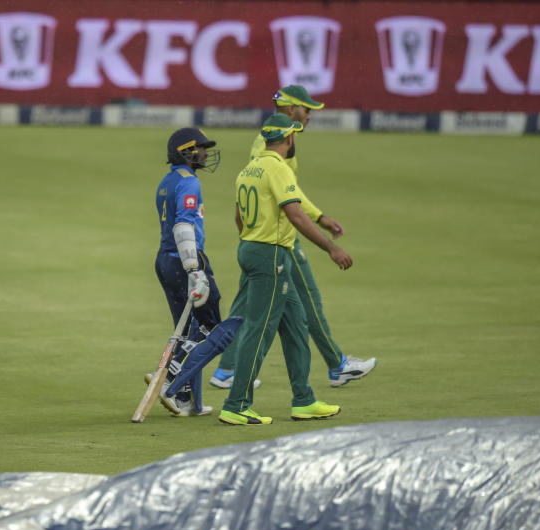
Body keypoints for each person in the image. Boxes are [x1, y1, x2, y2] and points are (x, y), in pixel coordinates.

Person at [211, 85, 376, 390]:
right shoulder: (274, 150)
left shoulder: (266, 141)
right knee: (305, 301)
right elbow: (288, 201)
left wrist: (320, 217)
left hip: (258, 238)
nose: (310, 116)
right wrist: (326, 240)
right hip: (278, 239)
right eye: (307, 109)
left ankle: (226, 369)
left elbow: (278, 195)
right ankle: (336, 366)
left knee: (248, 305)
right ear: (291, 109)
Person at [219, 113, 350, 425]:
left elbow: (238, 217)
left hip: (253, 249)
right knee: (259, 329)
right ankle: (236, 404)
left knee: (296, 324)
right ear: (289, 138)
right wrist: (331, 247)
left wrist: (251, 242)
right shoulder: (278, 169)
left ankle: (303, 400)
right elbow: (296, 215)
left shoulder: (247, 169)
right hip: (272, 255)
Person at [151, 128, 242, 417]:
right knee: (211, 326)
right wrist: (194, 269)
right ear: (186, 151)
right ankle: (172, 372)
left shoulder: (167, 181)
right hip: (186, 260)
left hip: (164, 260)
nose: (205, 153)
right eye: (200, 148)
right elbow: (183, 226)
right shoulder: (190, 183)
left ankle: (185, 399)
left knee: (187, 326)